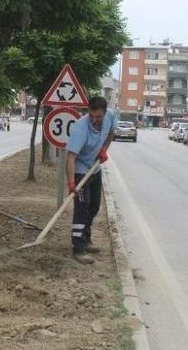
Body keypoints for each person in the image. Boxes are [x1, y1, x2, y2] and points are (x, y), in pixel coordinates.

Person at [65, 96, 116, 264]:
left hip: (94, 168)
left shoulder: (109, 116)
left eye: (98, 117)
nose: (94, 120)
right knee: (82, 208)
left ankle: (86, 239)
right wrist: (72, 183)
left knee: (94, 206)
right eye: (92, 116)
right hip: (80, 170)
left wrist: (104, 149)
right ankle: (78, 248)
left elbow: (111, 132)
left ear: (104, 112)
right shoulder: (81, 128)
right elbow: (71, 157)